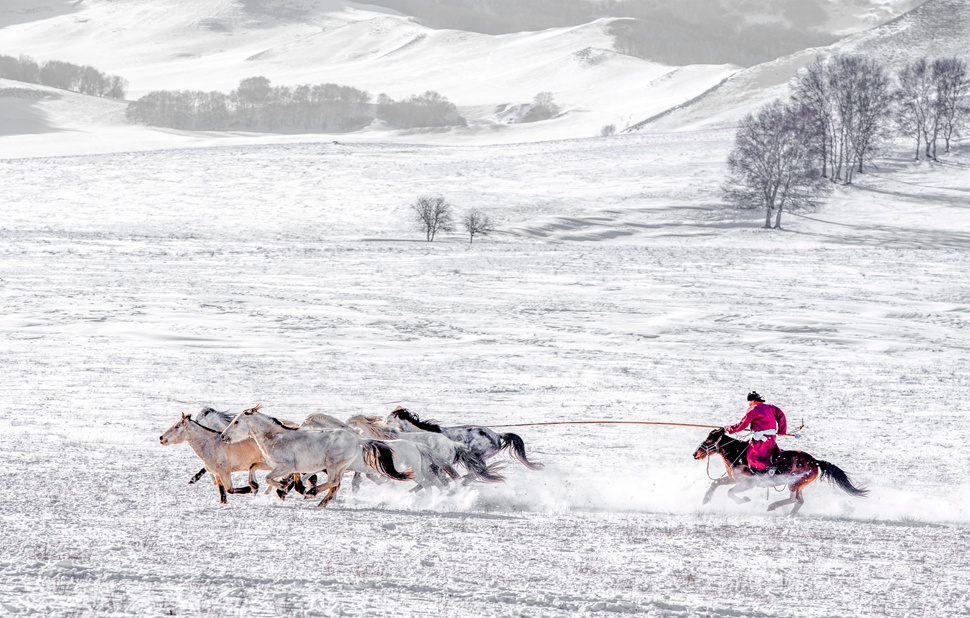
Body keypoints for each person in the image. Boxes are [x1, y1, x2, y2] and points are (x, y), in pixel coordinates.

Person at [726, 391, 787, 473]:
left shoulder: (753, 409)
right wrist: (781, 430)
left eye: (749, 402)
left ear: (752, 401)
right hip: (771, 438)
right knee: (769, 453)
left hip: (761, 439)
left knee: (752, 457)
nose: (749, 404)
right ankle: (772, 466)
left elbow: (743, 424)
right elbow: (781, 415)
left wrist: (730, 429)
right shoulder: (771, 407)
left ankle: (765, 472)